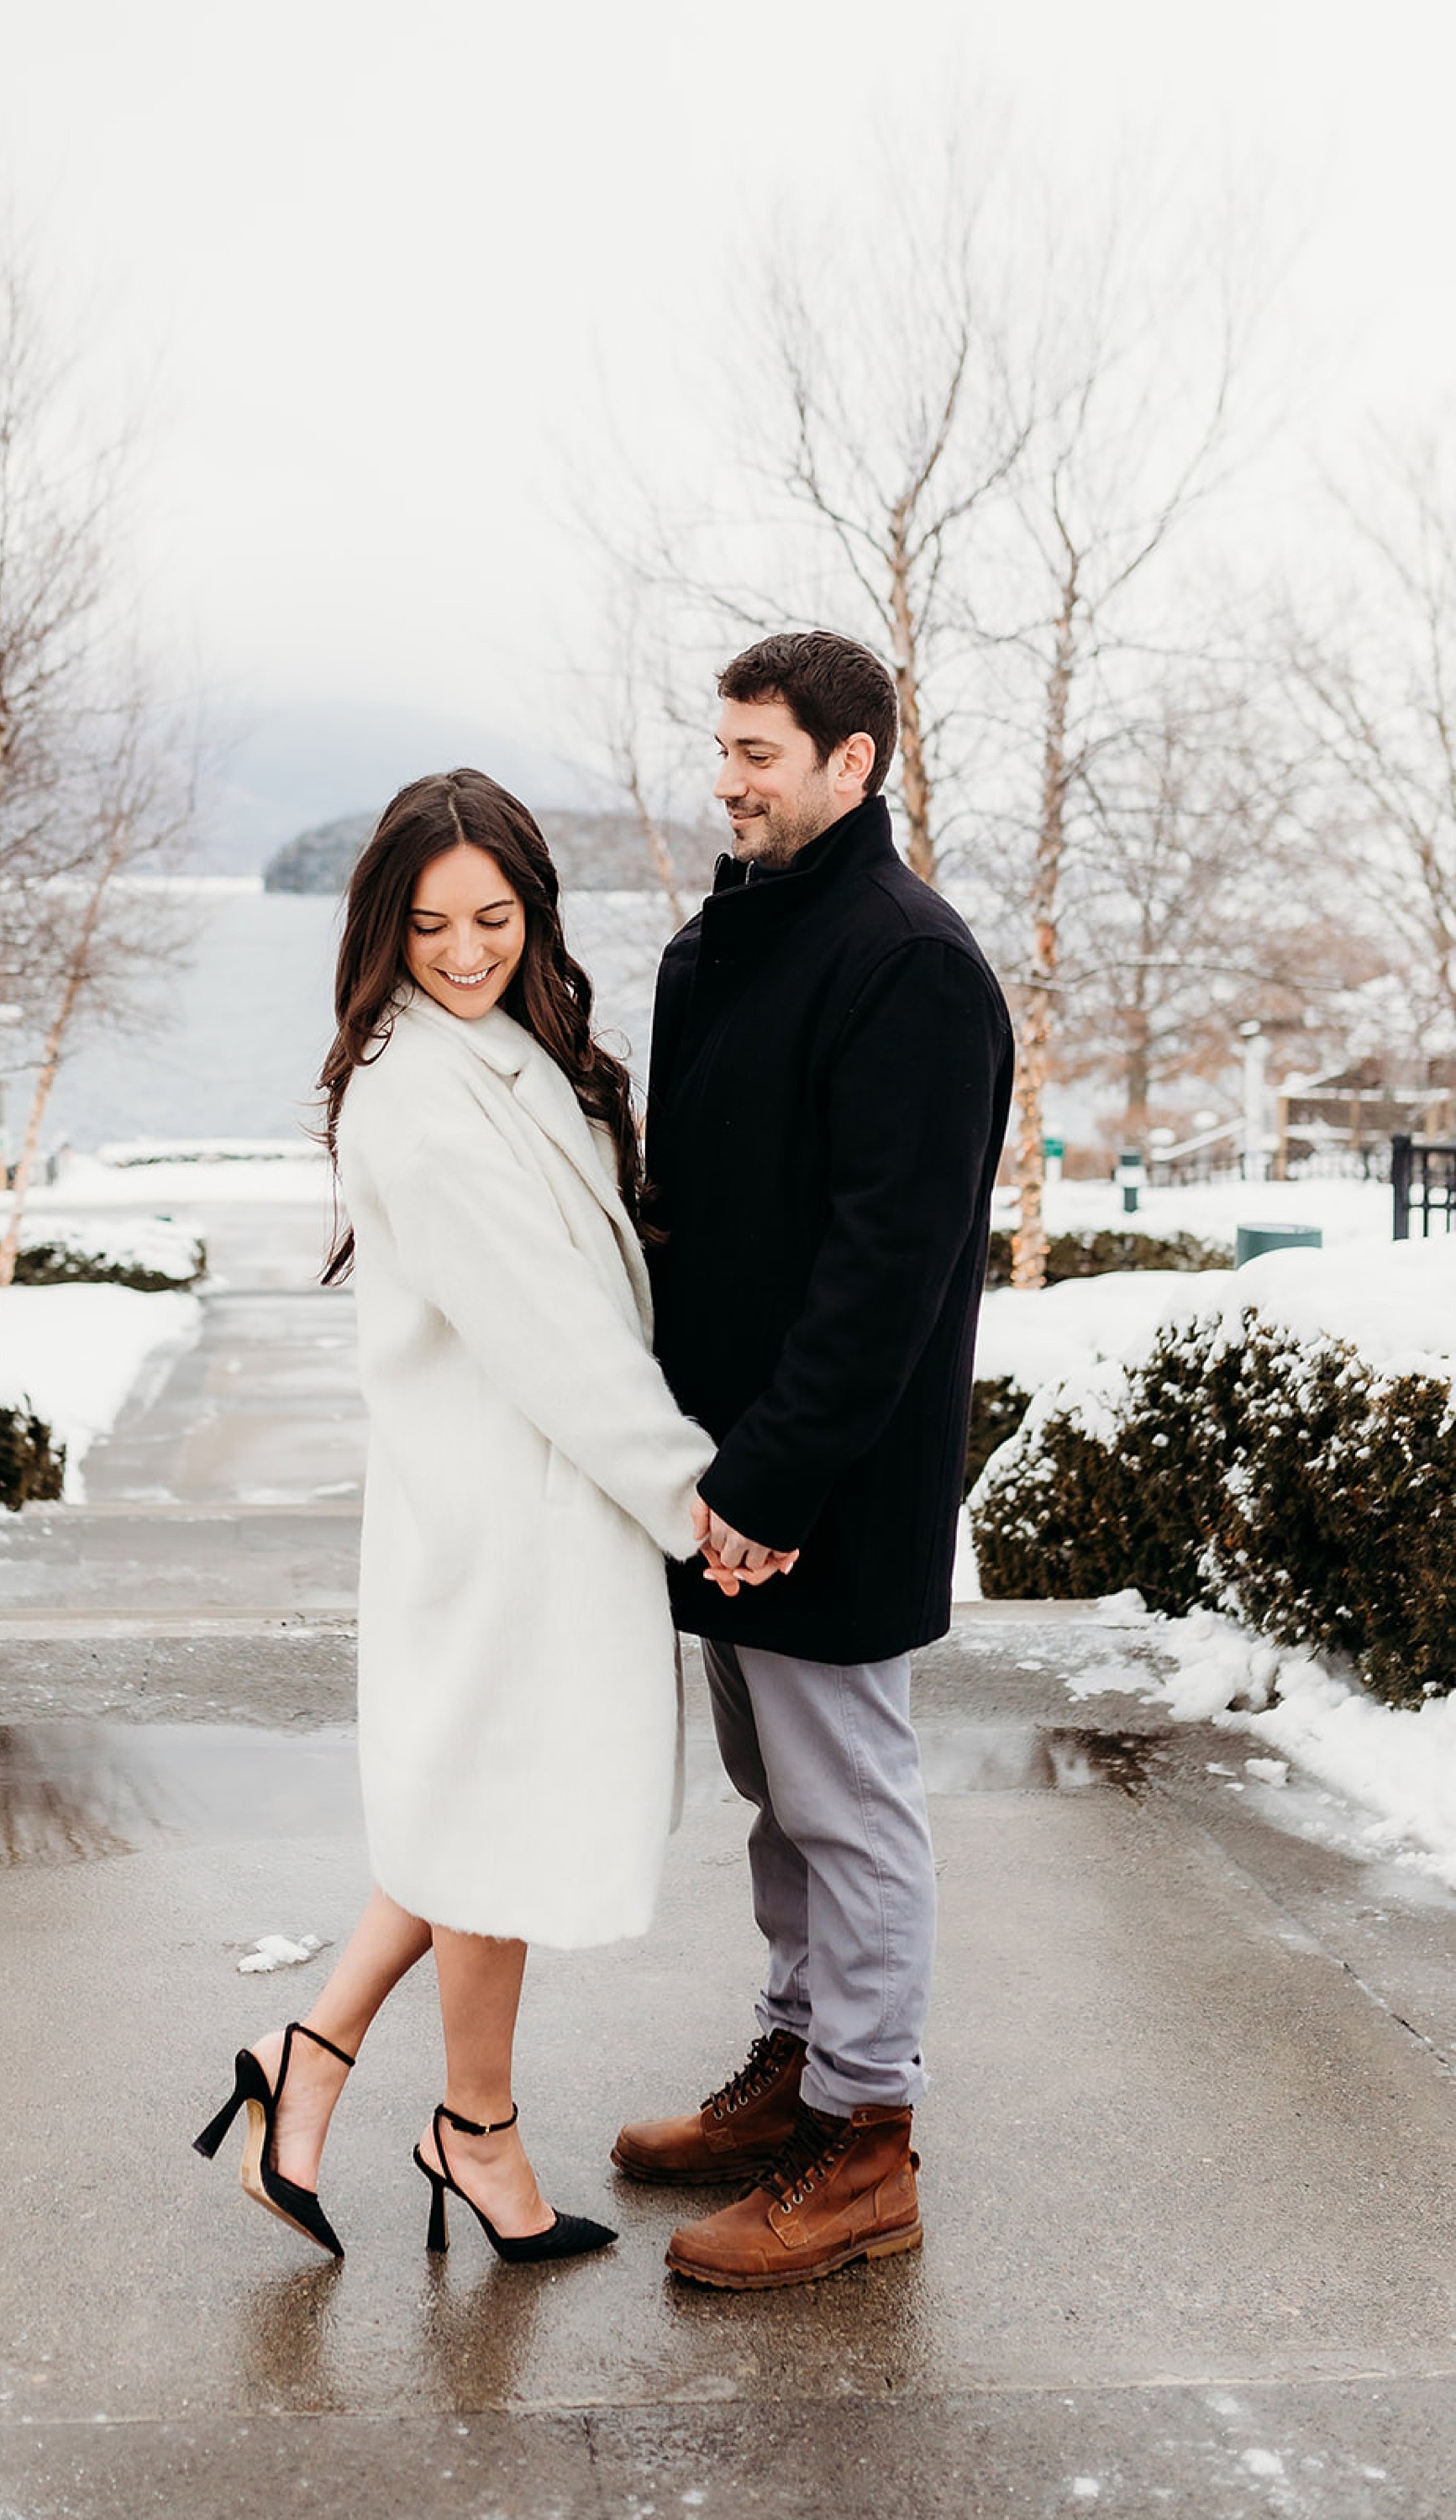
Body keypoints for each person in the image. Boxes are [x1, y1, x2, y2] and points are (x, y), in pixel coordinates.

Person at [192, 766, 775, 2265]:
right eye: (434, 924)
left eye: (496, 918)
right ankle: (469, 2129)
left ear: (534, 912)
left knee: (470, 1816)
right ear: (387, 925)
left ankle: (310, 2069)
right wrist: (686, 1490)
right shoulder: (424, 1099)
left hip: (520, 1506)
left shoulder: (496, 1047)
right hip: (511, 1511)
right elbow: (551, 1335)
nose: (467, 951)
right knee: (490, 1832)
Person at [612, 630, 1014, 2290]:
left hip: (817, 1486)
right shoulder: (727, 942)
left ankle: (866, 2142)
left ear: (853, 764)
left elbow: (887, 1271)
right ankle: (795, 2069)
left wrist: (768, 1489)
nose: (727, 777)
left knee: (848, 1804)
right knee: (777, 1799)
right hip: (722, 1480)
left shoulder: (908, 961)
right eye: (722, 747)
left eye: (760, 751)